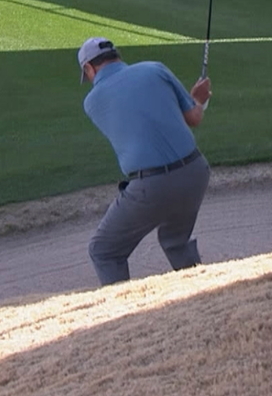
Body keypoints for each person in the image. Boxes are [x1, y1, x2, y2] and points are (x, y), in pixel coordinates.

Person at [78, 37, 214, 286]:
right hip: (196, 171)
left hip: (153, 186)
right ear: (117, 55)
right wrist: (199, 99)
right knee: (175, 241)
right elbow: (194, 117)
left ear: (89, 68)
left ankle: (127, 316)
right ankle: (207, 296)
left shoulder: (92, 102)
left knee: (104, 251)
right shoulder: (155, 68)